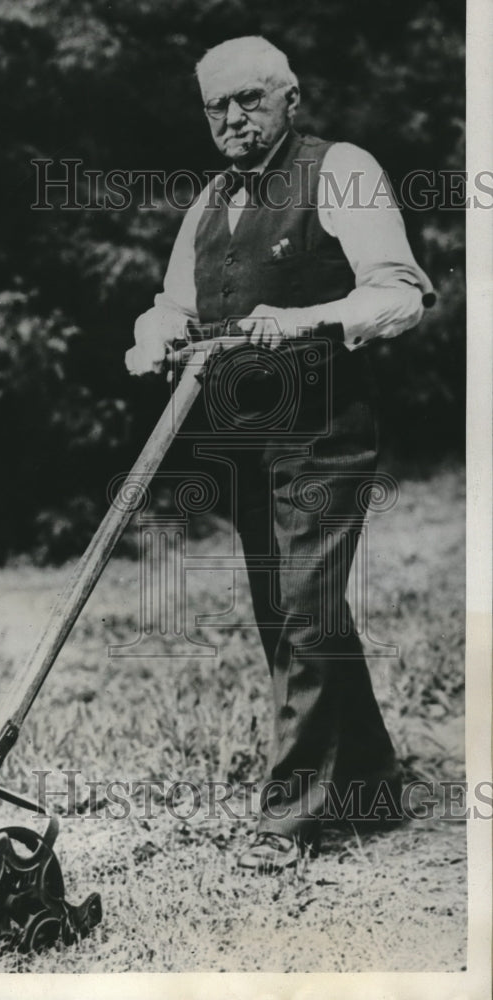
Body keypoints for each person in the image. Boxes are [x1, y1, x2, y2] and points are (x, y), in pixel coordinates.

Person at [125, 36, 435, 872]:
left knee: (303, 612)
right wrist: (152, 338)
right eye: (217, 106)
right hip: (245, 442)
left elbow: (400, 297)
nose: (232, 118)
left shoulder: (341, 170)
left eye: (250, 100)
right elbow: (171, 306)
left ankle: (288, 823)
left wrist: (305, 320)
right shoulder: (209, 204)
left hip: (325, 431)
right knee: (291, 614)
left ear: (290, 100)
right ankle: (369, 781)